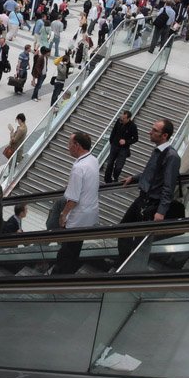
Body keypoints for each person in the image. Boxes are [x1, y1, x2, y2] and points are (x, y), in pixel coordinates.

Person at [118, 118, 182, 261]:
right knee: (123, 229)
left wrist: (161, 212)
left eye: (155, 130)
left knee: (140, 240)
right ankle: (123, 262)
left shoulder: (171, 156)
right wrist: (134, 178)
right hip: (143, 199)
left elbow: (169, 185)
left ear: (164, 135)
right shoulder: (158, 151)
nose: (150, 132)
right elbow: (152, 172)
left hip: (152, 203)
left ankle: (131, 269)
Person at [55, 132, 100, 274]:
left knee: (66, 251)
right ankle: (70, 274)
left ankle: (59, 278)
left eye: (70, 143)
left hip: (77, 217)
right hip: (89, 214)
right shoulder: (93, 160)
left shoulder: (78, 168)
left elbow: (73, 199)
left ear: (77, 145)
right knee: (75, 249)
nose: (68, 147)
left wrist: (63, 215)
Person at [104, 110, 139, 183]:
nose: (122, 119)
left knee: (118, 166)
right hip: (114, 145)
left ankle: (115, 178)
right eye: (122, 117)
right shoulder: (118, 121)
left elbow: (136, 138)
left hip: (124, 149)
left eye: (124, 118)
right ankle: (107, 179)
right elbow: (114, 131)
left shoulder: (133, 126)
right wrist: (111, 141)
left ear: (128, 119)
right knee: (110, 163)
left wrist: (126, 142)